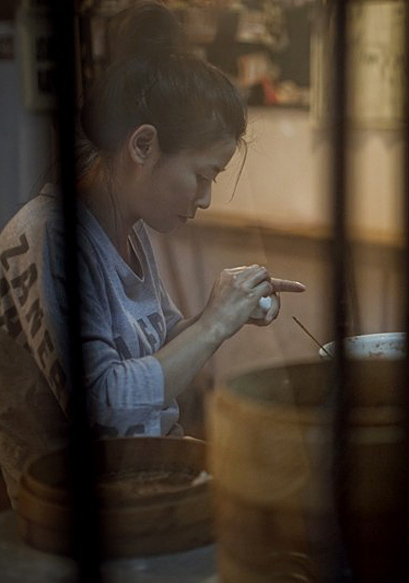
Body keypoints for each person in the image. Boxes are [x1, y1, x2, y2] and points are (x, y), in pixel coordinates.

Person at [0, 1, 305, 505]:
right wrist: (213, 324)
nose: (205, 198)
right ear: (143, 146)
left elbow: (160, 346)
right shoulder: (49, 235)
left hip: (142, 474)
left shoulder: (130, 227)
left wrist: (225, 310)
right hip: (70, 505)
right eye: (203, 174)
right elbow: (105, 401)